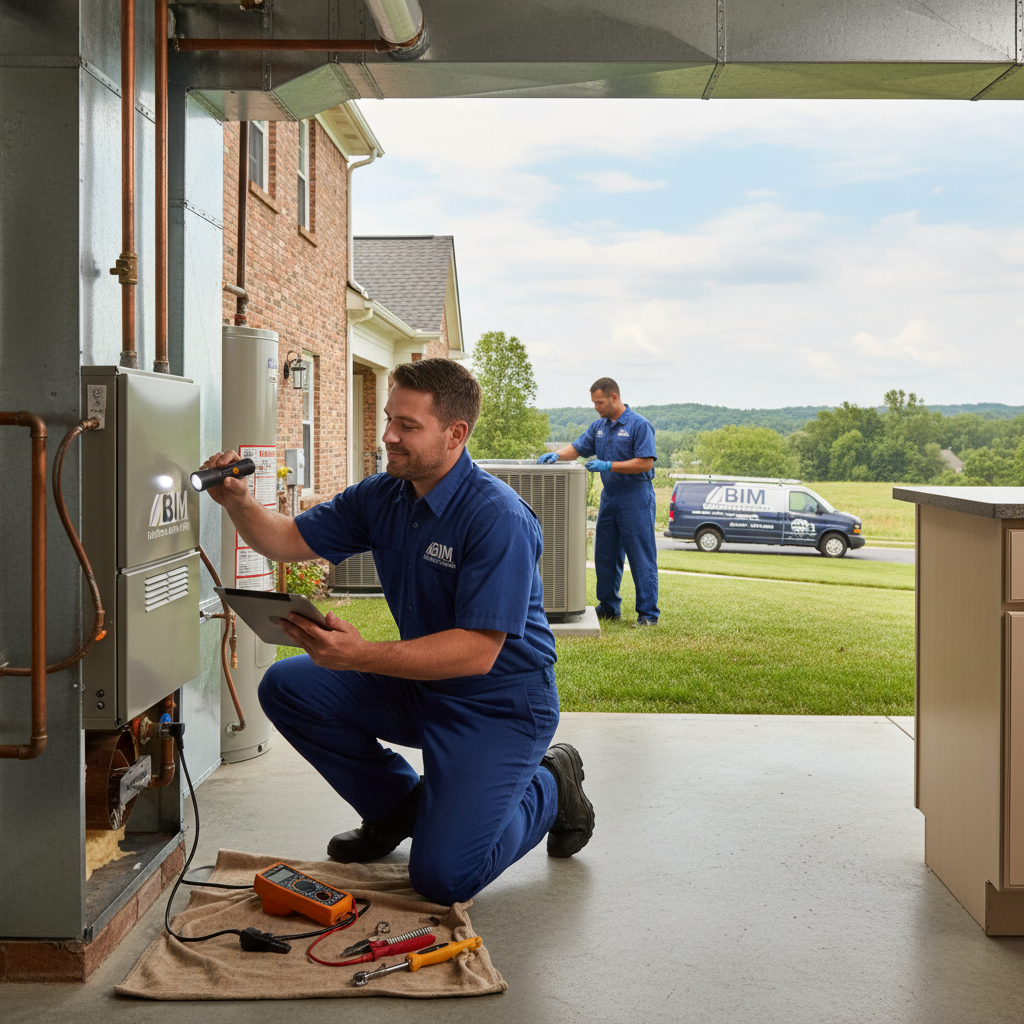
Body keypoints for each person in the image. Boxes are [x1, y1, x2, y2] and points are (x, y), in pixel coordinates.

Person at [199, 358, 594, 906]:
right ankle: (398, 808)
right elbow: (287, 540)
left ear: (456, 434)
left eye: (408, 426)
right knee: (288, 686)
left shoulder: (495, 517)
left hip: (498, 703)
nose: (388, 436)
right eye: (389, 419)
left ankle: (553, 783)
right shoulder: (383, 495)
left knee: (444, 879)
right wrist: (239, 503)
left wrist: (360, 655)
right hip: (421, 687)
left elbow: (479, 652)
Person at [538, 377, 659, 626]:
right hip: (610, 497)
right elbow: (577, 448)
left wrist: (609, 465)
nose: (596, 407)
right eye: (594, 402)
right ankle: (608, 606)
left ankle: (647, 614)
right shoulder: (599, 427)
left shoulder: (639, 425)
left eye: (600, 402)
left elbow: (646, 462)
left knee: (640, 557)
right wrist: (556, 455)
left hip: (636, 497)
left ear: (614, 397)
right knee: (605, 554)